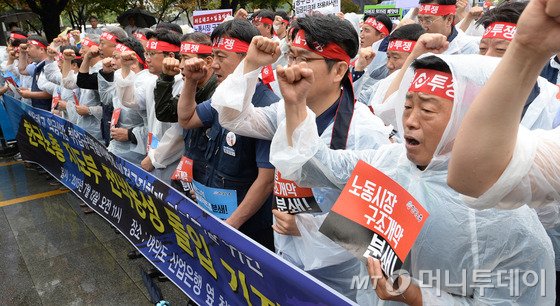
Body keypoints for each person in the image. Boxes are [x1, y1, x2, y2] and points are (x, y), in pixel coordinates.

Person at [268, 34, 555, 303]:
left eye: (427, 110)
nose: (410, 121)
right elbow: (313, 166)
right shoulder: (389, 162)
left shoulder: (512, 224)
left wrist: (416, 296)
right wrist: (296, 104)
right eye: (407, 106)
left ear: (469, 119)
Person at [211, 14, 391, 302]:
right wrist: (250, 65)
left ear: (339, 70)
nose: (293, 68)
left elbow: (376, 235)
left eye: (305, 59)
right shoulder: (285, 110)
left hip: (339, 280)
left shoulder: (366, 133)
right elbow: (233, 118)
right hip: (286, 257)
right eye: (291, 56)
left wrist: (308, 229)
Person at [176, 19, 278, 252]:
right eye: (214, 57)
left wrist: (230, 226)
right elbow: (187, 119)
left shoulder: (267, 106)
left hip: (245, 227)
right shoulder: (222, 97)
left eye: (222, 58)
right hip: (214, 213)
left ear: (246, 59)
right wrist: (190, 82)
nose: (214, 66)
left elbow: (265, 181)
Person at [153, 31, 217, 195]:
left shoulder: (217, 91)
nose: (181, 65)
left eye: (187, 58)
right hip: (190, 170)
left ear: (208, 61)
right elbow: (165, 113)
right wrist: (166, 78)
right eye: (180, 58)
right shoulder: (192, 86)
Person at [97, 37, 148, 165]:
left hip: (139, 158)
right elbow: (106, 97)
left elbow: (157, 128)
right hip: (118, 150)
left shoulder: (146, 84)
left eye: (117, 57)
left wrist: (131, 134)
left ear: (134, 62)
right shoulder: (119, 79)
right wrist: (105, 74)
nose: (112, 62)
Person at [17, 36, 52, 111]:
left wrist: (29, 94)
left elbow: (50, 93)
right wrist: (29, 89)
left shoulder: (50, 66)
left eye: (29, 47)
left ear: (41, 49)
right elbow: (22, 70)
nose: (27, 50)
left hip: (48, 112)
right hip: (40, 110)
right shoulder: (37, 65)